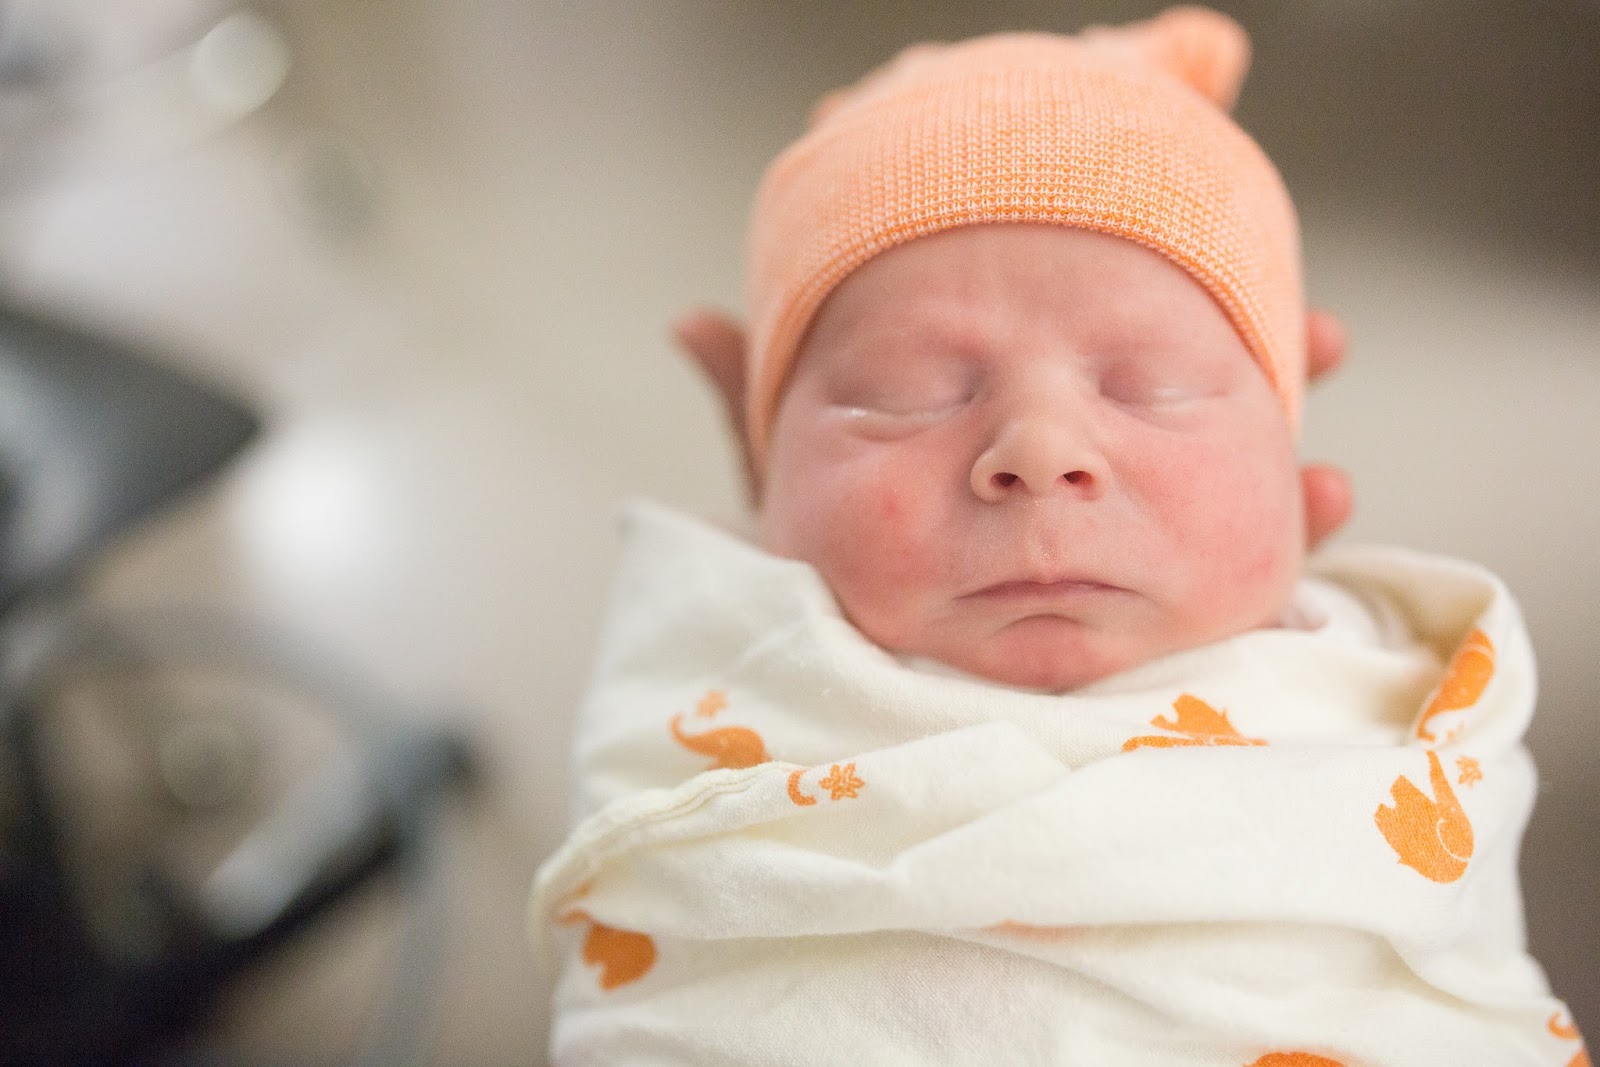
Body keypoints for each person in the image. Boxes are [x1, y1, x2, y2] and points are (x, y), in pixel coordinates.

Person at [531, 8, 1586, 1064]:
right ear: (770, 464)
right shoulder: (722, 674)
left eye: (1152, 386)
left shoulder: (1387, 693)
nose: (1039, 450)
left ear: (1284, 446)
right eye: (901, 393)